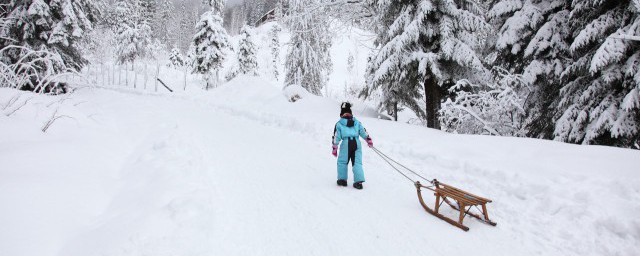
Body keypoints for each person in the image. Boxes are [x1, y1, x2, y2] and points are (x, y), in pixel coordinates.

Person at [331, 102, 373, 190]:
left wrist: (335, 147)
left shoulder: (339, 124)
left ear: (341, 114)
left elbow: (336, 136)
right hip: (357, 143)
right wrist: (368, 139)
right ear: (351, 112)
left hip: (346, 143)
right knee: (357, 162)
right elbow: (363, 131)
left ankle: (342, 180)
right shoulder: (357, 122)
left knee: (342, 161)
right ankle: (358, 182)